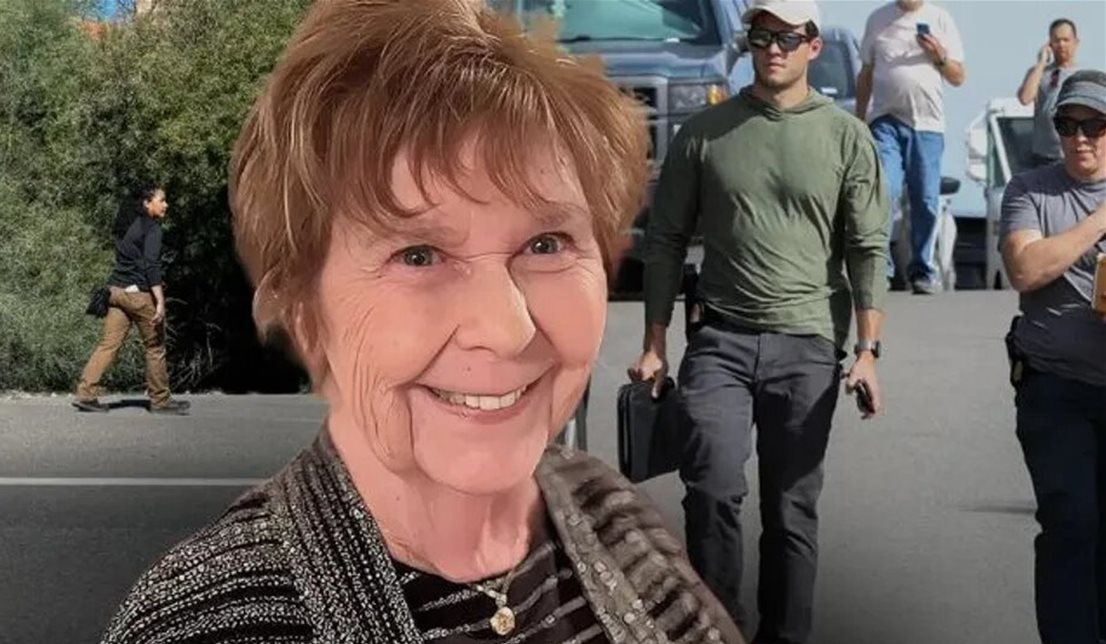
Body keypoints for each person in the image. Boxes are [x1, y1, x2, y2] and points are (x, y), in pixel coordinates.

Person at [100, 1, 743, 642]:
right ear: (302, 308)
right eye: (418, 255)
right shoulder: (209, 621)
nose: (506, 328)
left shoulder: (618, 517)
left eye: (545, 244)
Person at [630, 1, 890, 642]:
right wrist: (655, 343)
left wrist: (868, 350)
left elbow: (867, 247)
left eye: (787, 37)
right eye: (761, 35)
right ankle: (717, 631)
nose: (773, 47)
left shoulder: (845, 137)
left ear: (813, 46)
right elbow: (665, 240)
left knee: (791, 510)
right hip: (719, 340)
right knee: (712, 490)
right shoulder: (704, 133)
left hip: (808, 345)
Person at [999, 68, 1106, 644]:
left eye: (1095, 125)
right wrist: (1100, 220)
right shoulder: (1030, 191)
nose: (1080, 137)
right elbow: (1025, 268)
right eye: (1068, 125)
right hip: (1055, 387)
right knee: (1071, 520)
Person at [856, 0, 965, 295]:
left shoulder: (940, 19)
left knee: (926, 200)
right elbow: (866, 73)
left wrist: (939, 56)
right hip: (885, 121)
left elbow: (958, 77)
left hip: (928, 125)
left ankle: (921, 270)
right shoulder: (877, 19)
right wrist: (859, 121)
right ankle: (881, 269)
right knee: (884, 190)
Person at [72, 185, 190, 415]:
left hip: (116, 292)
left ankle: (86, 394)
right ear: (147, 203)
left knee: (108, 345)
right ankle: (160, 401)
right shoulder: (152, 229)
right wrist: (160, 301)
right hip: (138, 296)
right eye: (162, 200)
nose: (166, 205)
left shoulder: (128, 226)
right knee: (155, 347)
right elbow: (151, 265)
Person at [1018, 19, 1081, 168]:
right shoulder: (1038, 73)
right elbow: (1025, 98)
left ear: (1075, 42)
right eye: (1057, 40)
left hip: (1072, 154)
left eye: (1066, 40)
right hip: (1044, 156)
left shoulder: (1082, 75)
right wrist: (1041, 63)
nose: (1061, 45)